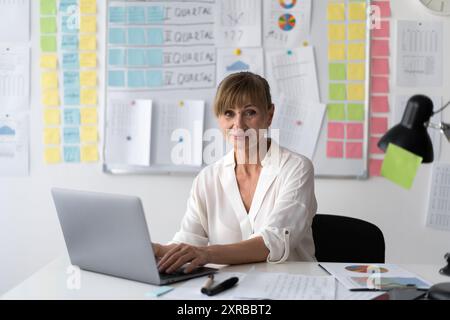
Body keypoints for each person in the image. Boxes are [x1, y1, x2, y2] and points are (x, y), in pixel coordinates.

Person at [153, 72, 317, 274]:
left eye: (250, 112)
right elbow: (189, 242)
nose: (238, 125)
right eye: (229, 113)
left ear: (270, 114)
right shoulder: (207, 179)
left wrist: (207, 254)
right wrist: (158, 250)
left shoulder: (296, 168)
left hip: (291, 288)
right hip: (229, 291)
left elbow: (274, 241)